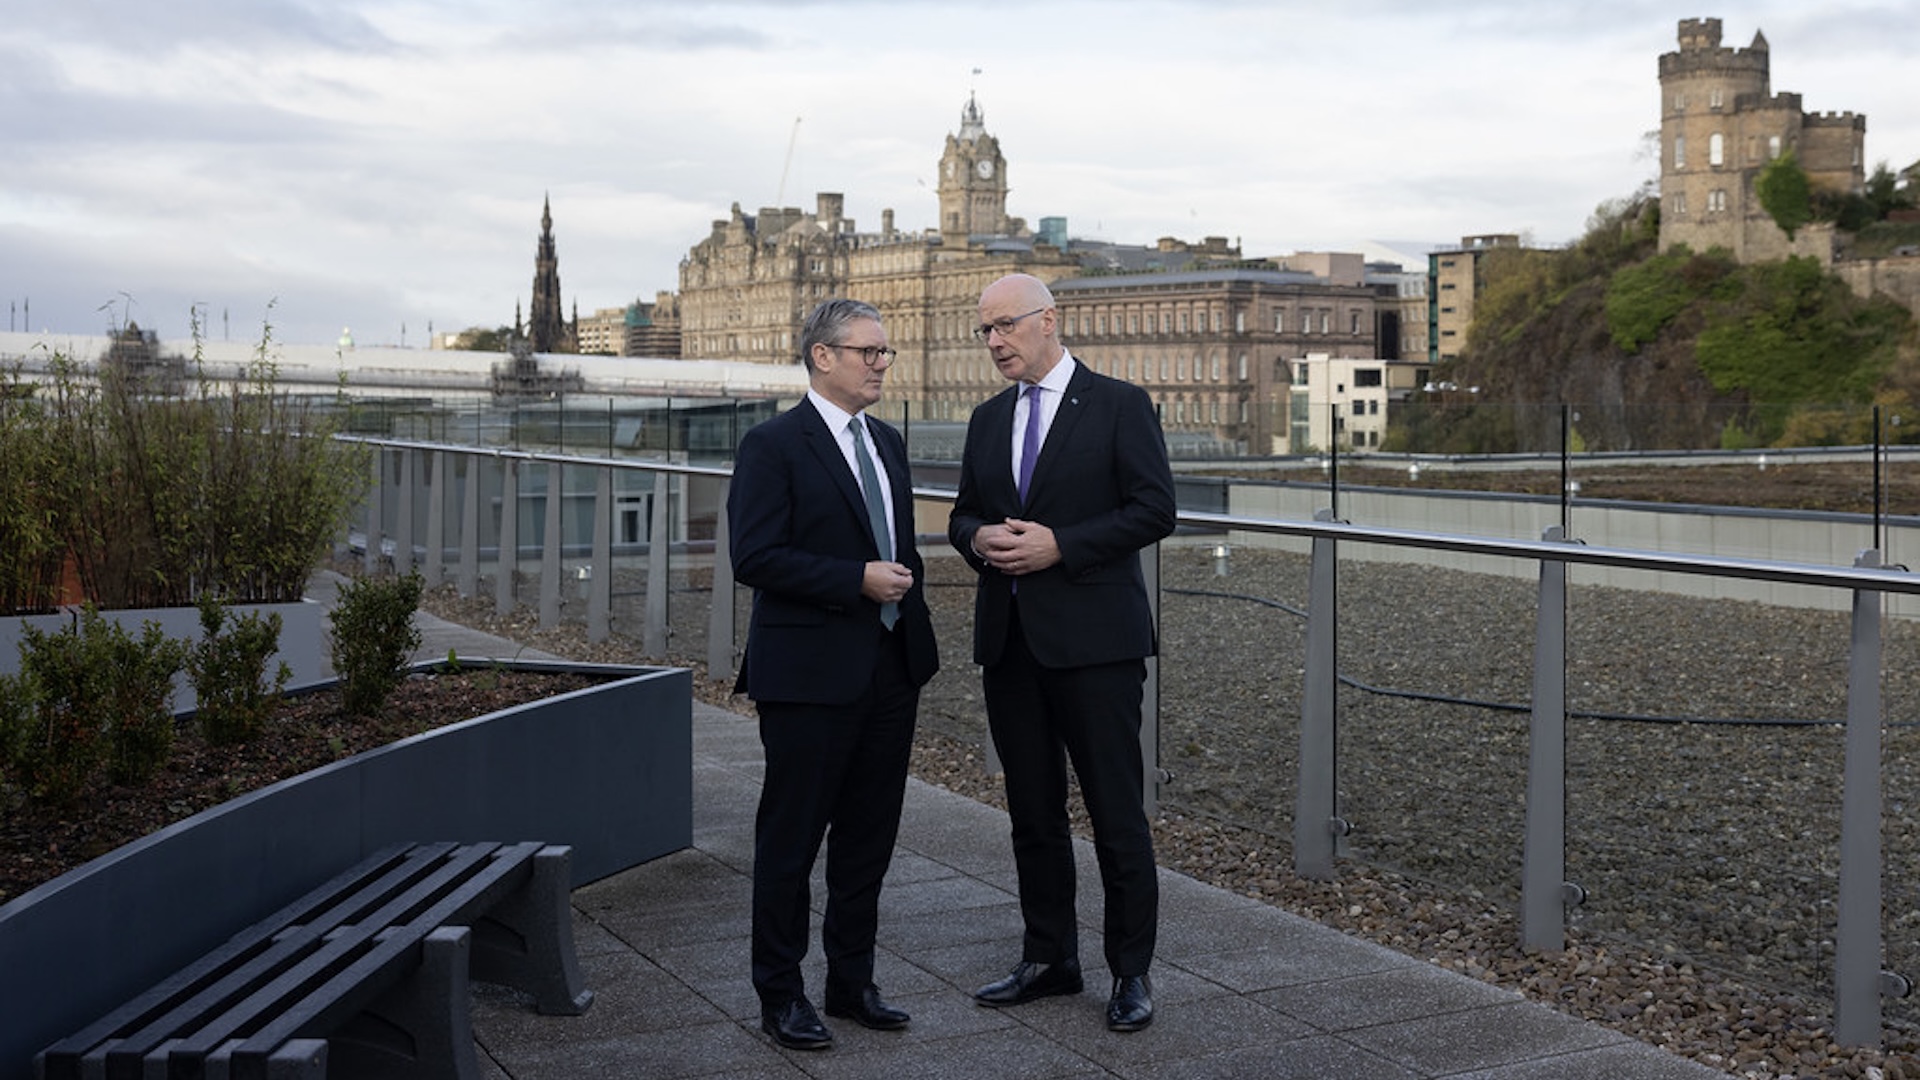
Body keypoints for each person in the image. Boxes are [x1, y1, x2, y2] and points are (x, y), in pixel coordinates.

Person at [947, 272, 1176, 1033]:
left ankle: (1130, 972)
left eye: (1005, 326)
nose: (994, 342)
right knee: (1032, 813)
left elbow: (1155, 509)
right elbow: (963, 517)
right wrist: (977, 538)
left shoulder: (1120, 405)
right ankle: (1049, 957)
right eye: (985, 331)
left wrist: (1062, 546)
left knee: (1116, 813)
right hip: (1010, 644)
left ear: (1049, 321)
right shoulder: (985, 419)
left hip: (1096, 647)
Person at [728, 298, 940, 1051]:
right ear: (823, 357)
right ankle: (780, 994)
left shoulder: (887, 441)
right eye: (869, 352)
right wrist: (854, 579)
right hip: (809, 674)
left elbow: (900, 545)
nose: (881, 364)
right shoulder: (772, 445)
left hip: (890, 667)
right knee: (790, 841)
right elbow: (754, 558)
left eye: (884, 353)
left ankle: (851, 983)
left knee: (868, 839)